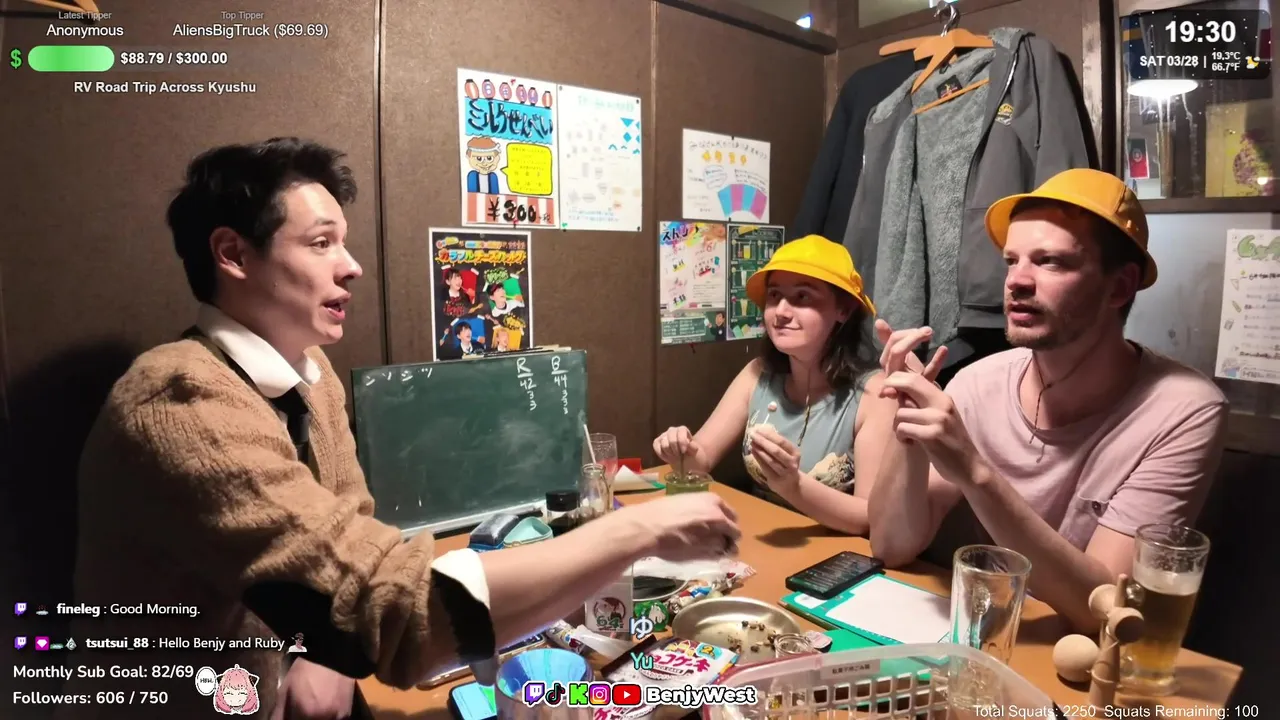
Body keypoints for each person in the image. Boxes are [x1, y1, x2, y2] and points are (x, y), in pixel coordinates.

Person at [62, 138, 741, 719]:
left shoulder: (310, 373)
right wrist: (634, 532)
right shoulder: (179, 400)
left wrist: (322, 649)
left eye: (343, 242)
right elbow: (392, 607)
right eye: (321, 243)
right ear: (233, 253)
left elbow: (344, 533)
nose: (351, 265)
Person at [868, 169, 1228, 631]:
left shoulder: (1183, 410)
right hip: (989, 632)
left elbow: (1103, 611)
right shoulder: (978, 383)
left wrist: (976, 474)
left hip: (1087, 657)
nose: (1016, 281)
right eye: (1011, 261)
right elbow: (892, 547)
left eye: (1051, 262)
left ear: (1120, 287)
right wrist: (909, 430)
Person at [652, 235, 945, 535]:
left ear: (843, 311)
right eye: (774, 295)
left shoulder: (875, 394)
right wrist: (679, 449)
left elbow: (868, 517)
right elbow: (699, 460)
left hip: (834, 552)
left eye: (802, 297)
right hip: (758, 540)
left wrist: (794, 486)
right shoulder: (757, 373)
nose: (781, 311)